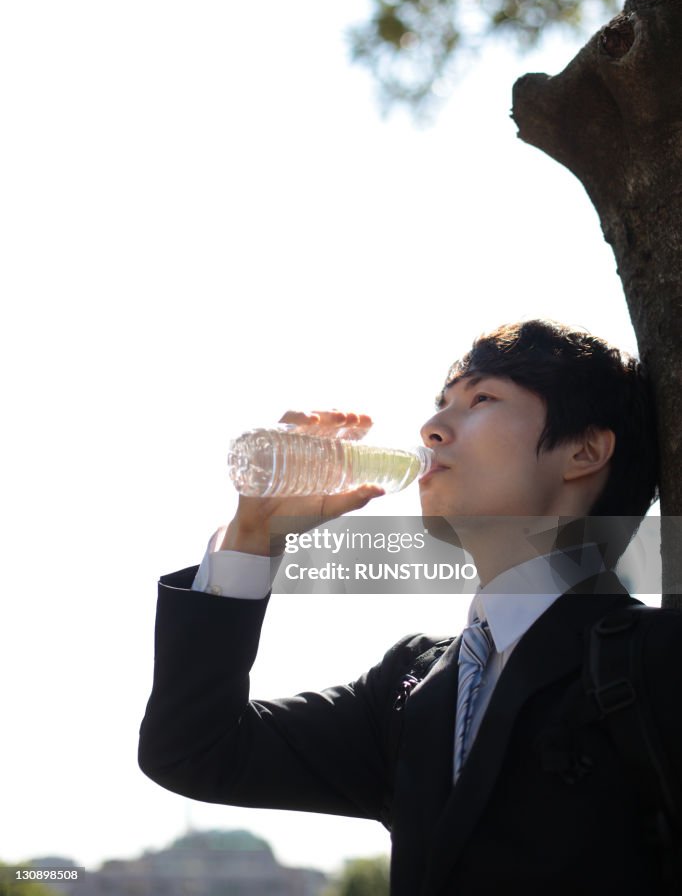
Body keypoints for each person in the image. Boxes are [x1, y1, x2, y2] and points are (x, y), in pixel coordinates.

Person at [138, 320, 680, 895]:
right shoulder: (412, 687)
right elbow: (193, 749)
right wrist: (254, 538)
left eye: (481, 399)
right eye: (441, 404)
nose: (431, 428)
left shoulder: (657, 663)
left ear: (585, 450)